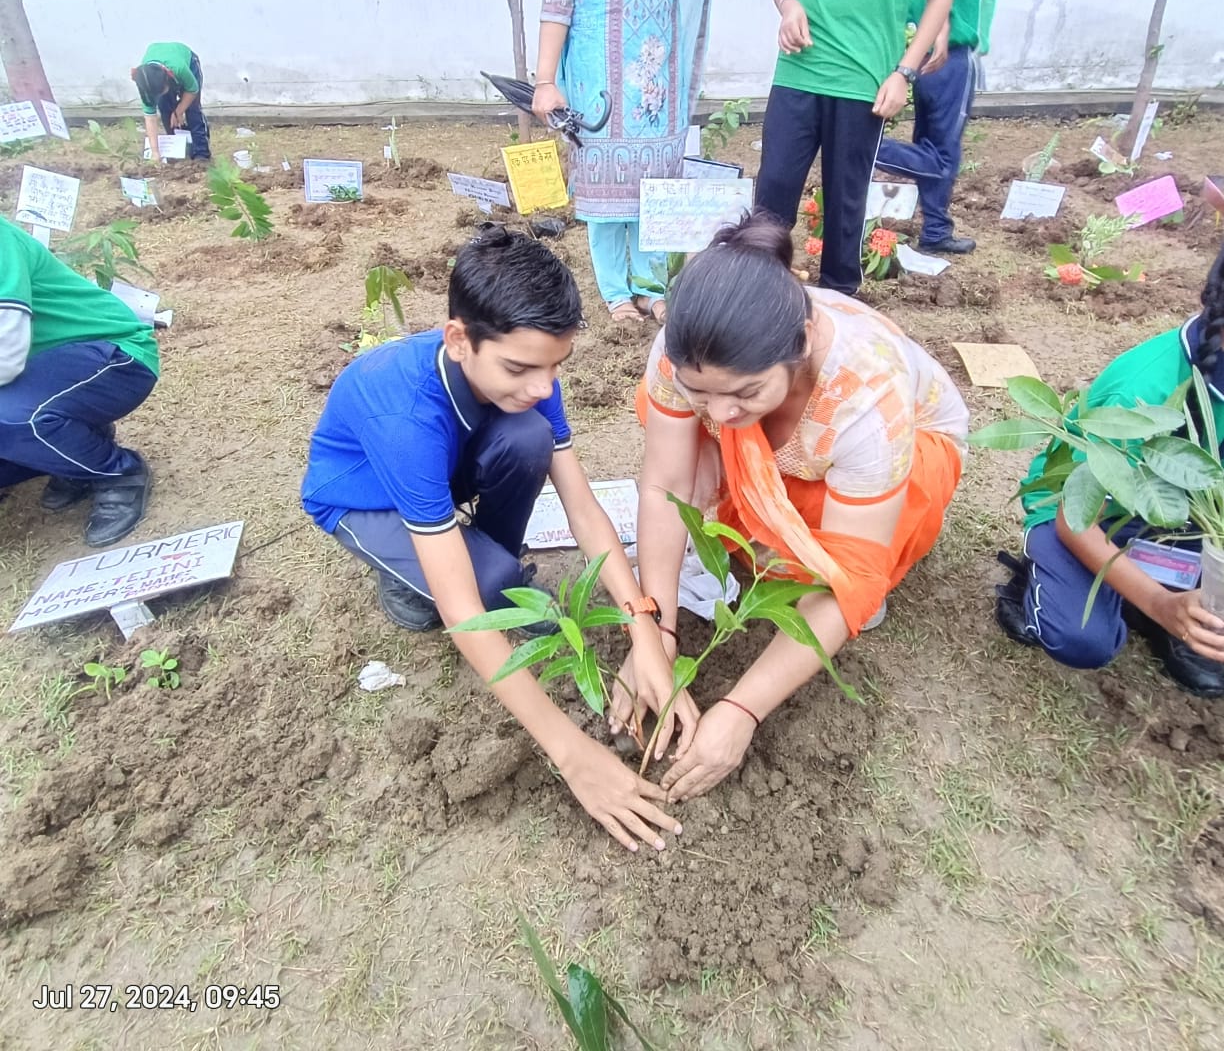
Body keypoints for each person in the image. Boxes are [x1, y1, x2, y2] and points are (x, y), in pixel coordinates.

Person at [301, 228, 693, 850]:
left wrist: (644, 630)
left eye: (555, 366)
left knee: (530, 435)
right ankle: (415, 584)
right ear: (459, 339)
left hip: (444, 470)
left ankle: (482, 555)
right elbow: (463, 615)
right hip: (362, 500)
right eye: (520, 368)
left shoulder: (527, 369)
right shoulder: (402, 417)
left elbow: (584, 509)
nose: (543, 385)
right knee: (483, 590)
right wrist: (574, 755)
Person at [611, 215, 968, 799]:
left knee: (831, 582)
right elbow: (662, 488)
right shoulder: (687, 348)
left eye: (745, 392)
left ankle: (790, 539)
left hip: (906, 448)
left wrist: (742, 710)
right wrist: (656, 633)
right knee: (681, 437)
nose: (720, 413)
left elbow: (851, 580)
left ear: (800, 343)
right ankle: (749, 529)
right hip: (789, 440)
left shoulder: (866, 399)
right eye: (702, 393)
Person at [995, 246, 1224, 699]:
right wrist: (1162, 604)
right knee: (1083, 641)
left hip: (1187, 523)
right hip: (1091, 518)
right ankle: (1043, 576)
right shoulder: (1146, 389)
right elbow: (1076, 520)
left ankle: (1163, 602)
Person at [754, 0, 955, 297]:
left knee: (846, 208)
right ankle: (759, 301)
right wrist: (789, 7)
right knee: (771, 200)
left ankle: (840, 311)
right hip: (798, 72)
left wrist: (904, 71)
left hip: (865, 82)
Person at [533, 0, 716, 325]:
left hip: (656, 53)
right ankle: (616, 290)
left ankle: (653, 285)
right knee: (605, 165)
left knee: (655, 168)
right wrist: (545, 78)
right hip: (597, 50)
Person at [875, 0, 1012, 256]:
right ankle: (868, 147)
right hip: (952, 60)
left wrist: (929, 27)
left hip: (927, 61)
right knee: (944, 154)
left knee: (930, 143)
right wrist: (941, 25)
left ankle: (936, 228)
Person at [0, 219, 157, 547]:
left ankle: (118, 473)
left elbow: (7, 352)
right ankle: (73, 445)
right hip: (41, 371)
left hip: (113, 354)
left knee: (9, 419)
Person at [132, 42, 211, 164]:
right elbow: (150, 118)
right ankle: (177, 150)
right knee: (165, 109)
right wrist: (155, 152)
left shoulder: (179, 68)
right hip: (161, 72)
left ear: (167, 78)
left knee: (192, 110)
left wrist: (179, 111)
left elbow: (192, 90)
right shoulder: (145, 83)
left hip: (188, 62)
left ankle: (201, 154)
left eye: (162, 90)